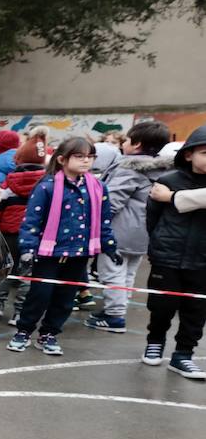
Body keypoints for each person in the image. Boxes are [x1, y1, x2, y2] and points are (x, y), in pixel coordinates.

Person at [7, 137, 118, 355]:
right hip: (48, 253)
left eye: (90, 156)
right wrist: (28, 249)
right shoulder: (47, 186)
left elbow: (104, 220)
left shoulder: (98, 187)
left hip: (79, 254)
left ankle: (49, 333)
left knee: (66, 298)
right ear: (62, 159)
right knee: (40, 294)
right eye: (79, 156)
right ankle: (24, 331)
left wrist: (110, 245)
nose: (86, 161)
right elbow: (31, 221)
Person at [84, 120, 172, 333]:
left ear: (137, 144)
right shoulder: (163, 169)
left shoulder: (129, 167)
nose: (124, 143)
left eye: (128, 139)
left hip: (120, 230)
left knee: (111, 272)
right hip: (145, 231)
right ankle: (118, 308)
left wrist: (96, 225)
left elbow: (112, 201)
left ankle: (115, 316)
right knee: (128, 271)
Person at [140, 124, 206, 379]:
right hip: (168, 255)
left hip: (202, 260)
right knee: (162, 304)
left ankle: (183, 355)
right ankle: (154, 342)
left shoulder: (170, 189)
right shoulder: (168, 180)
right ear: (189, 154)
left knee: (196, 310)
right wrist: (159, 244)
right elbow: (152, 218)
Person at [0, 148, 46, 322]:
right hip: (36, 235)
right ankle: (19, 311)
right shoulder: (47, 183)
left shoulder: (9, 183)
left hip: (9, 234)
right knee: (27, 275)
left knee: (7, 269)